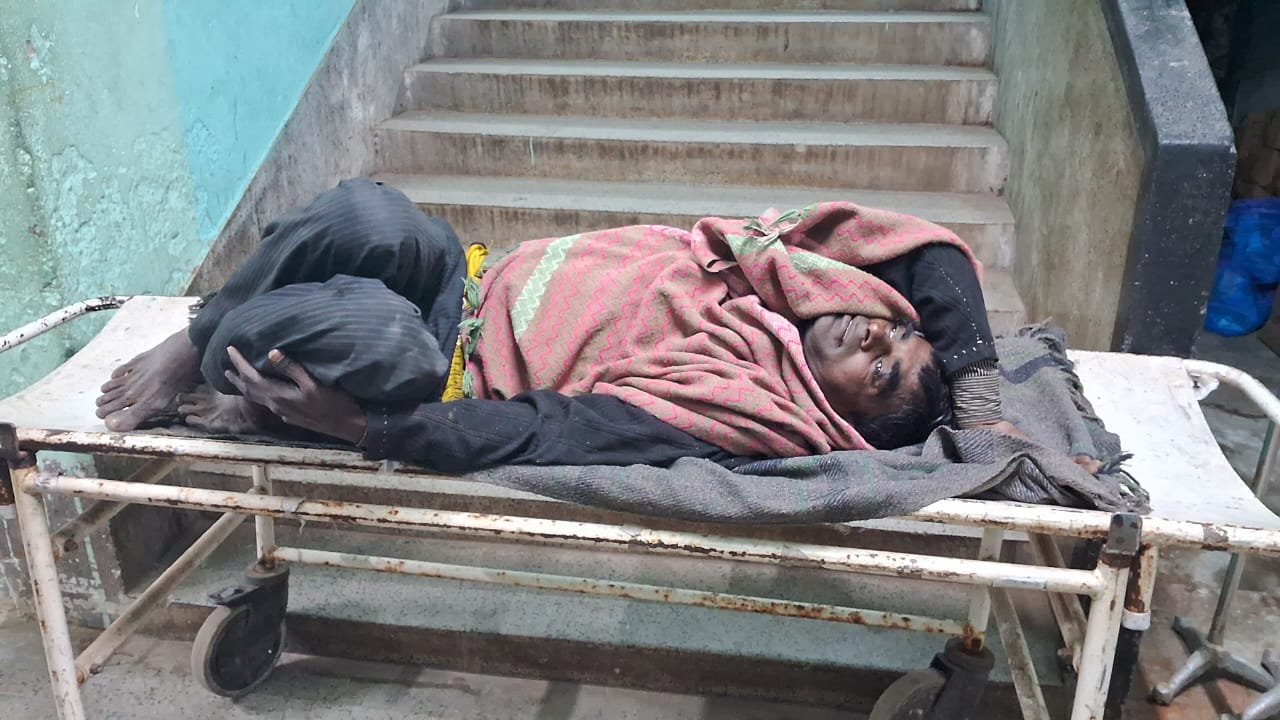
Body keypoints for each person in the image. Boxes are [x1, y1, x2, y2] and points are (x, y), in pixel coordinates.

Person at [96, 179, 1017, 473]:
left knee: (373, 334)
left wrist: (365, 428)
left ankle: (232, 378)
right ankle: (200, 337)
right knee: (372, 216)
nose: (873, 336)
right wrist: (975, 393)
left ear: (845, 417)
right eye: (892, 328)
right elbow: (931, 255)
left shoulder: (736, 407)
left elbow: (549, 432)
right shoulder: (776, 268)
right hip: (467, 279)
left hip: (437, 364)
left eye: (883, 372)